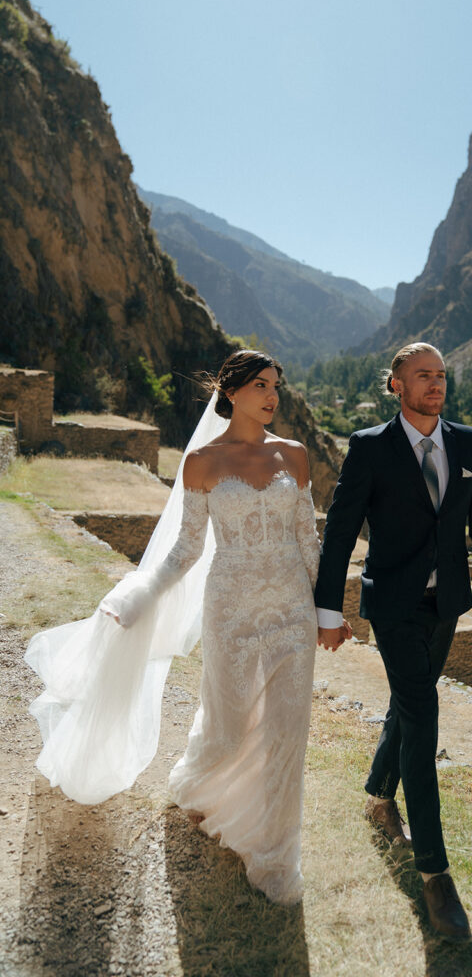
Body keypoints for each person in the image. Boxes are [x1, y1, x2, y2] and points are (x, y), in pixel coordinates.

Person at [25, 349, 323, 904]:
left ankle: (275, 859)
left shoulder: (296, 456)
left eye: (276, 385)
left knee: (287, 734)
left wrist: (328, 611)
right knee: (230, 728)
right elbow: (185, 550)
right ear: (231, 392)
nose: (272, 395)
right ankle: (197, 784)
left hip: (291, 614)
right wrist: (139, 594)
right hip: (230, 610)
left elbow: (309, 541)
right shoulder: (203, 463)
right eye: (260, 385)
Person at [315, 342, 472, 941]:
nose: (436, 384)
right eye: (423, 375)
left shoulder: (468, 442)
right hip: (393, 607)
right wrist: (327, 608)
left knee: (410, 701)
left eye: (441, 375)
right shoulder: (370, 446)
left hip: (447, 603)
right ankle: (434, 874)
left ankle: (378, 793)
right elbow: (342, 528)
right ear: (396, 384)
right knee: (423, 717)